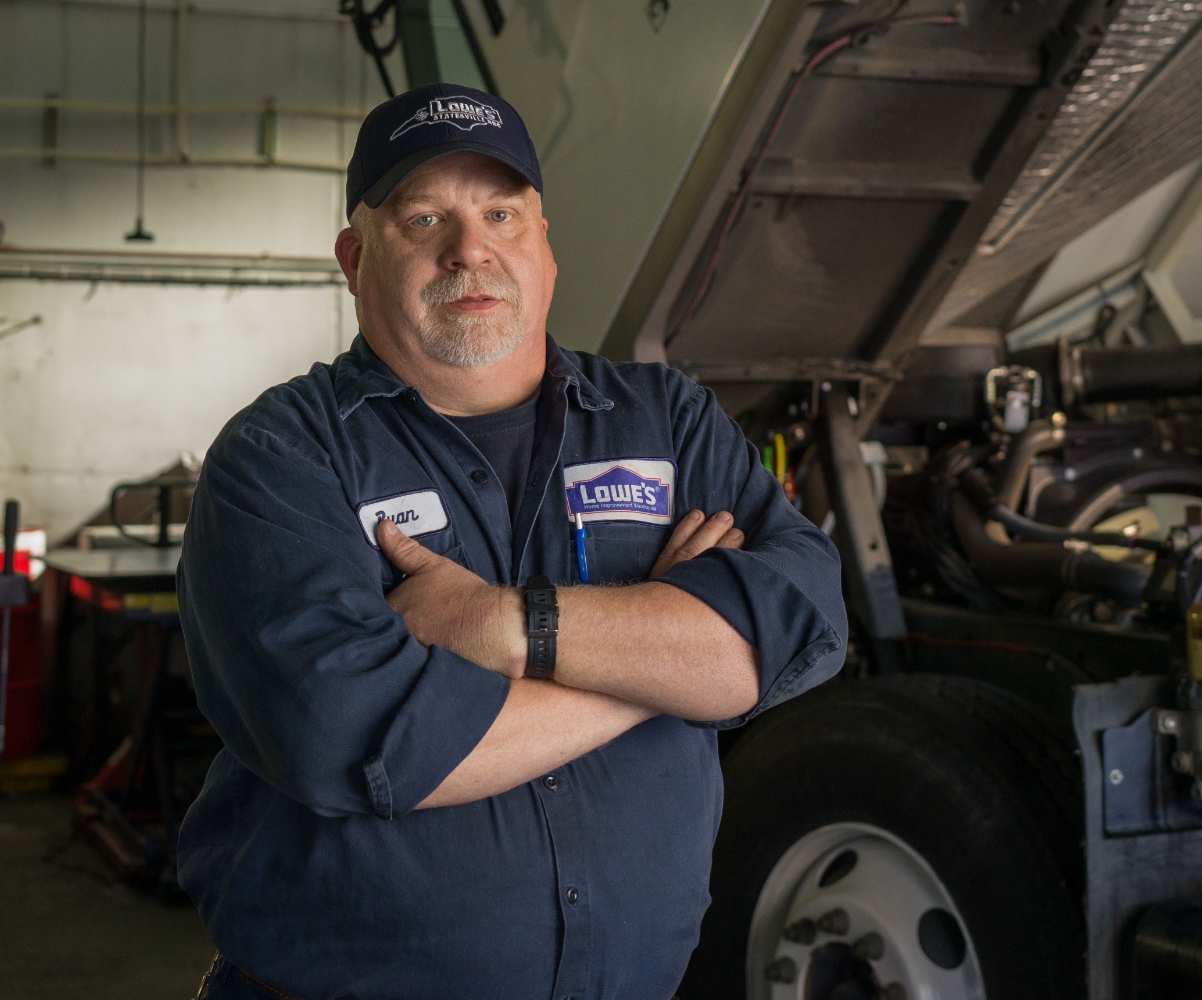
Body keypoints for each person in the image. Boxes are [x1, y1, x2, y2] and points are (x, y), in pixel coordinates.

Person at [177, 83, 847, 1000]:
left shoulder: (668, 420)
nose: (471, 249)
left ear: (545, 246)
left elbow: (803, 627)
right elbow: (355, 737)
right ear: (353, 255)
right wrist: (668, 673)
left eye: (501, 212)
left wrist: (509, 626)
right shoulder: (282, 457)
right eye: (423, 219)